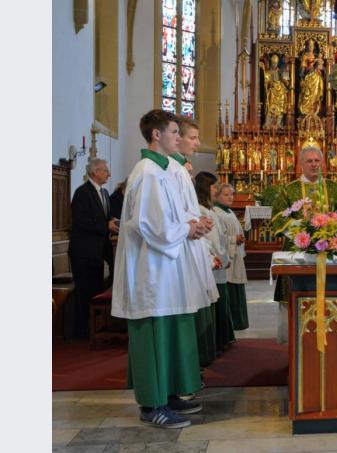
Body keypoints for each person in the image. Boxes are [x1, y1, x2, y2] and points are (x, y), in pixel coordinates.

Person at [111, 109, 206, 428]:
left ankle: (166, 394)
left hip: (167, 264)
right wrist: (187, 229)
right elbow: (151, 224)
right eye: (174, 132)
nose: (179, 138)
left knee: (168, 326)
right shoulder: (148, 172)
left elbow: (174, 214)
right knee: (154, 330)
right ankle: (152, 405)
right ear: (156, 135)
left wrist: (192, 223)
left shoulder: (162, 171)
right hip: (151, 268)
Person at [168, 117, 220, 370]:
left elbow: (181, 212)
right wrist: (192, 225)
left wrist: (197, 221)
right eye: (193, 138)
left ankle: (192, 366)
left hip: (188, 246)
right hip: (176, 255)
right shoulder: (166, 171)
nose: (198, 144)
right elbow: (160, 221)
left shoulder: (179, 169)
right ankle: (186, 370)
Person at [68, 158, 118, 338]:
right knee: (84, 291)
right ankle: (80, 332)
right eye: (105, 170)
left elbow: (105, 216)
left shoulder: (104, 192)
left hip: (98, 250)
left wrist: (112, 221)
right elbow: (81, 221)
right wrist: (106, 226)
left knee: (96, 288)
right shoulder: (82, 192)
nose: (109, 174)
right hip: (83, 251)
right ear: (95, 172)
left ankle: (95, 328)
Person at [195, 171, 228, 366]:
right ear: (205, 187)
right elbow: (213, 239)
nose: (216, 189)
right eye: (214, 186)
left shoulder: (209, 209)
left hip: (215, 259)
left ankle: (215, 344)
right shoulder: (203, 210)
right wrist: (220, 256)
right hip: (209, 261)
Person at [214, 184, 250, 332]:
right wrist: (234, 239)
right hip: (227, 257)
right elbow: (217, 237)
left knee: (237, 288)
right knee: (230, 288)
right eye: (226, 195)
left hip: (235, 256)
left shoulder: (229, 212)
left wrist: (238, 238)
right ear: (217, 196)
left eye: (231, 195)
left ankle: (239, 322)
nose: (230, 197)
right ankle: (233, 322)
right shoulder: (216, 213)